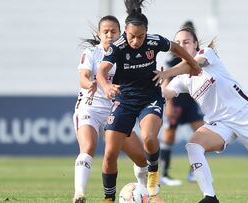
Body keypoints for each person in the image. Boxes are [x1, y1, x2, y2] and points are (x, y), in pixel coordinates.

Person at [153, 27, 248, 203]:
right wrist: (159, 80)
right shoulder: (181, 79)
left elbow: (194, 65)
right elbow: (165, 95)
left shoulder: (206, 53)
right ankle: (210, 197)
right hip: (219, 123)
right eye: (177, 43)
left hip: (245, 116)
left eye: (186, 42)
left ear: (195, 44)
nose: (182, 45)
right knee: (193, 146)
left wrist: (167, 72)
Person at [96, 0, 200, 202]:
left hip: (150, 98)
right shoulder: (117, 47)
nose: (135, 41)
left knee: (149, 138)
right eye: (131, 36)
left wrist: (193, 63)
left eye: (140, 36)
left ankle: (153, 180)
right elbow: (101, 72)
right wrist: (107, 86)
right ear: (125, 31)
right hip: (124, 99)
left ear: (147, 32)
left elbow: (176, 47)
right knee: (110, 152)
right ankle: (108, 198)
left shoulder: (154, 41)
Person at [72, 15, 148, 203]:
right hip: (90, 107)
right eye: (105, 31)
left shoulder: (126, 53)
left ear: (120, 33)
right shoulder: (92, 53)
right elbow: (83, 76)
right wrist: (88, 84)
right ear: (99, 34)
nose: (109, 35)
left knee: (141, 158)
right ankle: (79, 193)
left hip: (115, 111)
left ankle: (145, 193)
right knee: (88, 147)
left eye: (113, 31)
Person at [160, 21, 205, 186]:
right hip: (176, 102)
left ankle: (194, 172)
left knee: (202, 133)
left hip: (191, 103)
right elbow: (166, 80)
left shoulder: (201, 57)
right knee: (169, 137)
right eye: (180, 41)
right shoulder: (173, 60)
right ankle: (163, 174)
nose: (184, 44)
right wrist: (169, 105)